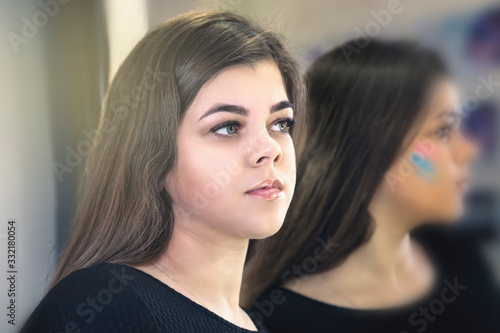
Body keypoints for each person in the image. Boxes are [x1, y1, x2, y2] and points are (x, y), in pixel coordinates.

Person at [21, 10, 305, 333]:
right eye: (228, 127)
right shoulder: (103, 309)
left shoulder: (256, 324)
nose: (270, 148)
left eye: (280, 124)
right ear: (152, 158)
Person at [243, 38, 500, 333]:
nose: (467, 150)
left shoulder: (462, 261)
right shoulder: (279, 320)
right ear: (371, 146)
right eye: (441, 131)